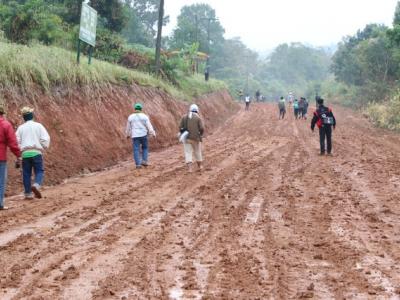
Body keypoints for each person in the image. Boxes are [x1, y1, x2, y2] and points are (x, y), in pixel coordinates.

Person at [16, 106, 50, 199]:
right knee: (39, 171)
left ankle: (28, 193)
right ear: (32, 115)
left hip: (25, 154)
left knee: (26, 173)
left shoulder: (20, 128)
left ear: (24, 117)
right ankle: (36, 184)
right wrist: (44, 147)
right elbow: (45, 139)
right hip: (36, 152)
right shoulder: (38, 126)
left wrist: (19, 154)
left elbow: (17, 142)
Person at [0, 104, 21, 210]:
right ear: (2, 113)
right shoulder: (5, 125)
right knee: (0, 181)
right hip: (1, 157)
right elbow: (12, 143)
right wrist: (18, 154)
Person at [126, 103, 156, 169]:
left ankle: (138, 164)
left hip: (135, 135)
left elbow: (128, 127)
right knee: (145, 148)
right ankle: (144, 161)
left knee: (136, 149)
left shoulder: (130, 117)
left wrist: (127, 134)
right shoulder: (145, 116)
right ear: (141, 109)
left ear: (135, 109)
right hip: (143, 134)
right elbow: (149, 126)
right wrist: (153, 133)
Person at [179, 104, 204, 173]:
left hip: (186, 138)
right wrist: (200, 134)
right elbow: (201, 128)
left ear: (190, 110)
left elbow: (180, 127)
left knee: (188, 152)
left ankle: (190, 169)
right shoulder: (198, 118)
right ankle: (200, 166)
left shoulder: (184, 117)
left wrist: (183, 133)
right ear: (197, 110)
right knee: (197, 151)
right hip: (196, 138)